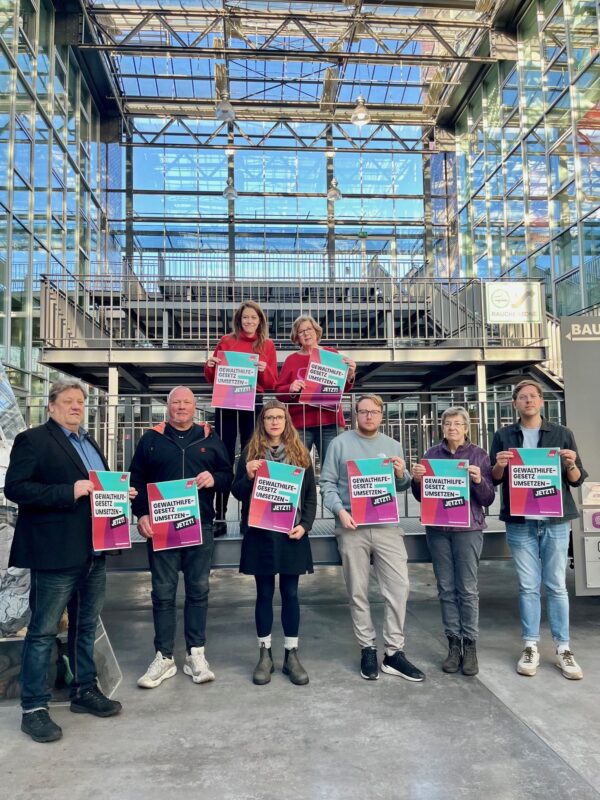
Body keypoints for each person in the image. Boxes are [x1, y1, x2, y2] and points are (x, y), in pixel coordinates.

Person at [4, 378, 132, 743]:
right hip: (55, 552)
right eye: (69, 401)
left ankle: (84, 690)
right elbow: (16, 488)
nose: (76, 406)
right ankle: (34, 708)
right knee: (43, 631)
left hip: (93, 551)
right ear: (51, 406)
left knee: (85, 627)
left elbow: (97, 490)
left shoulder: (89, 443)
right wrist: (68, 491)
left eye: (80, 402)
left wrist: (119, 494)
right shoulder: (32, 440)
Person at [130, 386, 232, 689]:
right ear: (168, 406)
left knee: (198, 590)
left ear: (194, 406)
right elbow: (136, 480)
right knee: (163, 592)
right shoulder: (151, 439)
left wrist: (214, 479)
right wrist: (141, 514)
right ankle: (164, 657)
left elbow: (228, 475)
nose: (181, 407)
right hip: (161, 526)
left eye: (186, 402)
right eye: (176, 402)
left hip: (199, 525)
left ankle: (195, 654)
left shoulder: (209, 438)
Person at [320, 394, 424, 682]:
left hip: (386, 526)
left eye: (374, 411)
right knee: (358, 591)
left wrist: (401, 474)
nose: (368, 416)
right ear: (355, 414)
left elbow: (401, 484)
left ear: (381, 414)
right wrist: (340, 512)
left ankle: (394, 652)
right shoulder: (339, 443)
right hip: (352, 526)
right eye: (363, 411)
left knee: (399, 588)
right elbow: (327, 484)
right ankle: (367, 648)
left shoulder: (392, 445)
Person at [490, 378, 587, 680]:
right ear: (515, 403)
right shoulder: (504, 435)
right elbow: (494, 479)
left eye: (533, 396)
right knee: (528, 586)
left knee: (556, 584)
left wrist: (571, 464)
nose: (528, 400)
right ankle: (530, 644)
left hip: (555, 520)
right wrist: (500, 465)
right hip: (520, 521)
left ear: (541, 401)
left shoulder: (562, 433)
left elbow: (577, 479)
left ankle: (563, 648)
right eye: (523, 397)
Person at [411, 407, 494, 677]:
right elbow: (422, 496)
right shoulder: (431, 455)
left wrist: (478, 480)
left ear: (466, 428)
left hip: (468, 529)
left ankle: (470, 645)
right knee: (446, 588)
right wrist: (416, 480)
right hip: (438, 529)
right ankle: (453, 644)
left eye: (457, 423)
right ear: (442, 427)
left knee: (467, 589)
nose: (452, 428)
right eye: (448, 423)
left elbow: (488, 498)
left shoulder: (479, 455)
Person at [204, 300, 278, 537]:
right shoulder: (226, 341)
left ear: (260, 321)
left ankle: (249, 515)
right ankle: (220, 516)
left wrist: (264, 369)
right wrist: (210, 365)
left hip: (253, 401)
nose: (249, 321)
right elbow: (211, 377)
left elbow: (272, 383)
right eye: (245, 317)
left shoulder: (267, 345)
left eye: (253, 317)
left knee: (252, 457)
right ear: (239, 320)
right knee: (223, 457)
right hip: (227, 401)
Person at [275, 314, 355, 465]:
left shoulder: (331, 354)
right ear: (296, 337)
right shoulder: (291, 360)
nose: (306, 334)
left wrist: (350, 375)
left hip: (330, 421)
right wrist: (290, 388)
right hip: (300, 423)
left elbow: (342, 388)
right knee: (296, 466)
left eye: (309, 329)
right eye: (301, 331)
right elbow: (279, 392)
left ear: (316, 331)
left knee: (333, 466)